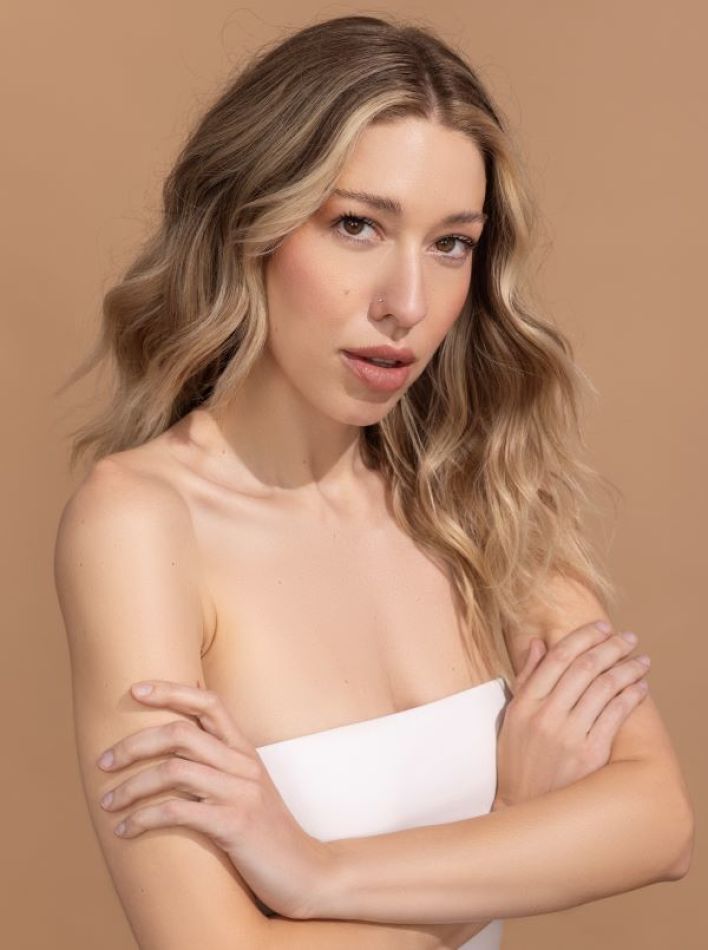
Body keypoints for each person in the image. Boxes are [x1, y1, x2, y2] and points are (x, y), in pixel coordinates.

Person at [53, 13, 693, 949]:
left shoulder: (477, 493)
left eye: (451, 244)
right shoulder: (139, 524)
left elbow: (660, 821)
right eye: (357, 226)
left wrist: (318, 875)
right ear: (248, 226)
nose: (408, 304)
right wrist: (517, 826)